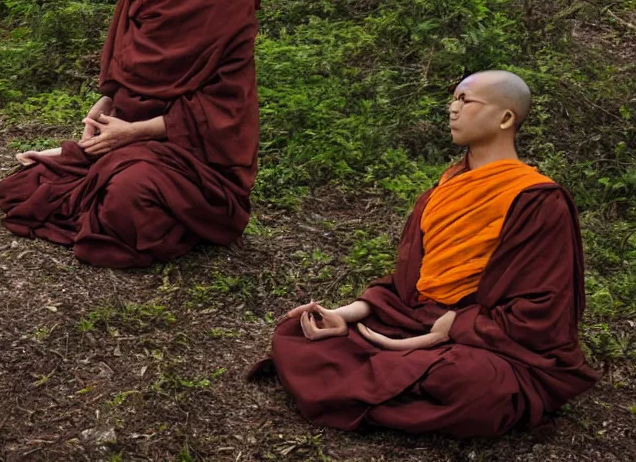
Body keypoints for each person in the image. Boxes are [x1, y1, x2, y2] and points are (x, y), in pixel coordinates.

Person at [251, 70, 599, 437]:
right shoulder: (444, 189)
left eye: (466, 100)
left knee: (472, 382)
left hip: (483, 338)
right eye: (453, 99)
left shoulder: (538, 200)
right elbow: (410, 283)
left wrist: (459, 325)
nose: (452, 109)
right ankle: (395, 378)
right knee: (296, 331)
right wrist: (344, 313)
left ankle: (383, 378)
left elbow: (543, 309)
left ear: (505, 117)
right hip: (415, 320)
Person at [0, 0, 261, 268]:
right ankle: (106, 169)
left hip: (192, 150)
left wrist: (133, 133)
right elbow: (135, 49)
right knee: (22, 186)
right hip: (135, 128)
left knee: (126, 200)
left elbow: (225, 85)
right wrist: (109, 104)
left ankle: (133, 182)